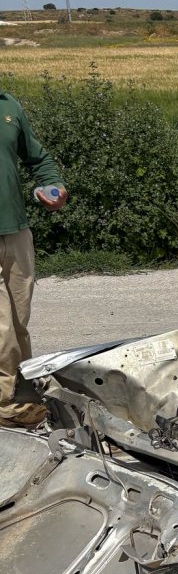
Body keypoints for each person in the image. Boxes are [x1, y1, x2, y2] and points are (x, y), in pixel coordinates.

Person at [0, 89, 67, 429]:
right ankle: (7, 402)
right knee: (2, 327)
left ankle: (24, 391)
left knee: (18, 321)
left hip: (16, 230)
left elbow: (38, 158)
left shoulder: (9, 105)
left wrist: (52, 184)